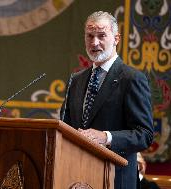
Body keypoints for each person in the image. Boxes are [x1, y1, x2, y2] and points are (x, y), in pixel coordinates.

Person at [60, 11, 154, 189]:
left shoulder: (132, 79)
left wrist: (106, 137)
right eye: (90, 36)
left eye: (101, 35)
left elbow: (144, 135)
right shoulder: (76, 80)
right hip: (75, 178)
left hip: (115, 179)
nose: (95, 43)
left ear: (116, 38)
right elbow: (65, 127)